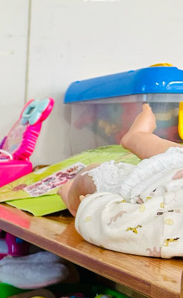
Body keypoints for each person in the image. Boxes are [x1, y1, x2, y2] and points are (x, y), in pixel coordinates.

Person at [59, 103, 183, 258]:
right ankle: (137, 136)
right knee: (176, 155)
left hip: (143, 189)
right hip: (174, 170)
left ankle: (74, 205)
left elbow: (123, 228)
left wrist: (90, 206)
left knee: (90, 174)